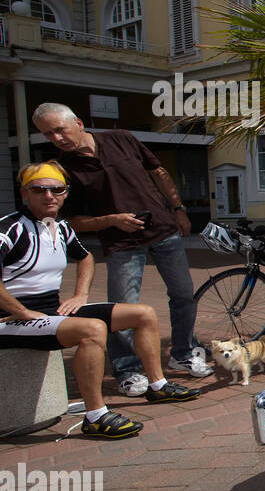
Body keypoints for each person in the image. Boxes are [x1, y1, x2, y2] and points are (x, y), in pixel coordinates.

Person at [1, 162, 199, 437]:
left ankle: (158, 386)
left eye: (56, 190)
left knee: (143, 314)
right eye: (39, 190)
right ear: (24, 194)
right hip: (10, 320)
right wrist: (22, 311)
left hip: (50, 313)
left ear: (65, 193)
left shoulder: (58, 226)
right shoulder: (10, 228)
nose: (49, 196)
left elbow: (85, 257)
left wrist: (80, 295)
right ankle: (95, 416)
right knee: (92, 329)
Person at [31, 102, 212, 397]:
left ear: (77, 122)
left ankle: (182, 351)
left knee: (183, 295)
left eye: (59, 130)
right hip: (121, 244)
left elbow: (159, 171)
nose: (57, 139)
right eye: (48, 135)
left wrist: (178, 208)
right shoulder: (65, 169)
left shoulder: (121, 138)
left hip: (163, 231)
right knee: (121, 311)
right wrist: (112, 220)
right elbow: (74, 221)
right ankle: (127, 370)